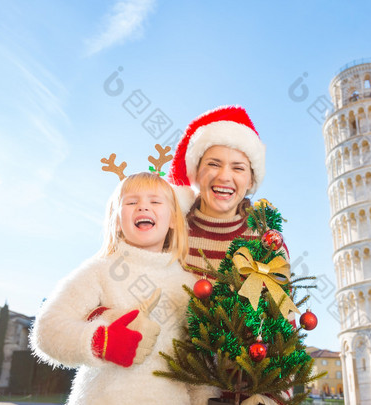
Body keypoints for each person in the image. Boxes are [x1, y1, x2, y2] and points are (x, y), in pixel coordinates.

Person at [30, 172, 215, 405]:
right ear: (116, 221)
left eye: (155, 201)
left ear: (173, 220)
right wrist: (103, 342)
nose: (143, 207)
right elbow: (48, 329)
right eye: (131, 202)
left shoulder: (188, 285)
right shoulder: (99, 270)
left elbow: (200, 365)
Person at [169, 105, 287, 274]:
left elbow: (283, 297)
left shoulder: (268, 242)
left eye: (238, 168)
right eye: (213, 164)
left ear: (251, 181)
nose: (224, 177)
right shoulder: (169, 232)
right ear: (196, 172)